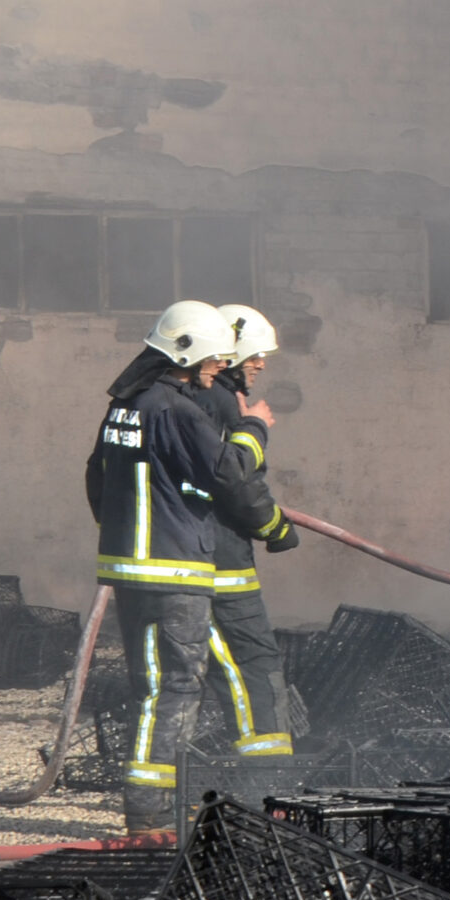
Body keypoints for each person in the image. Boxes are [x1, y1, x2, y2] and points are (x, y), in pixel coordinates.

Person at [86, 300, 291, 831]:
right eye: (214, 359)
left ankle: (148, 809)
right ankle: (149, 814)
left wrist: (129, 532)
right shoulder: (175, 409)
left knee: (156, 684)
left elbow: (97, 478)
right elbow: (228, 474)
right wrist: (255, 429)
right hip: (174, 569)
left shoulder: (125, 404)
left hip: (132, 568)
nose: (219, 368)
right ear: (190, 351)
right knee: (176, 686)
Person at [182, 303, 300, 758]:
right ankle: (268, 778)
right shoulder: (221, 403)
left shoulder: (187, 398)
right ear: (230, 353)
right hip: (220, 565)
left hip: (193, 557)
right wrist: (276, 528)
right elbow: (237, 482)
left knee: (190, 674)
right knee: (252, 665)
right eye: (255, 354)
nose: (261, 363)